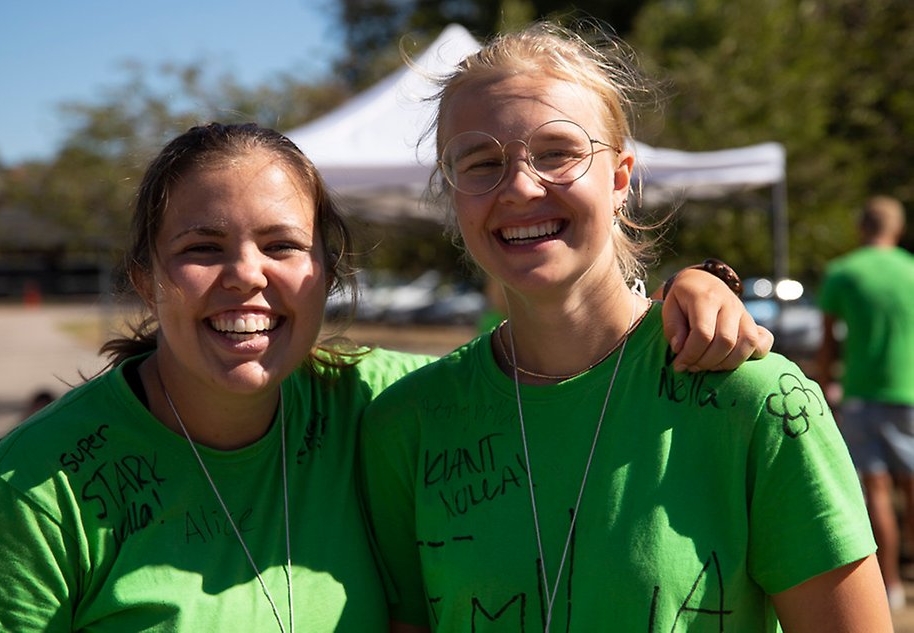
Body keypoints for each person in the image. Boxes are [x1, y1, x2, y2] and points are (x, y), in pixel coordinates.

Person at [0, 122, 770, 632]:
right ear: (146, 278)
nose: (246, 277)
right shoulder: (31, 493)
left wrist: (686, 289)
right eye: (202, 249)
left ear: (327, 275)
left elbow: (554, 358)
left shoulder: (379, 404)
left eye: (281, 245)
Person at [359, 21, 892, 633]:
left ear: (620, 179)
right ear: (452, 196)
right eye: (481, 163)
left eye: (557, 152)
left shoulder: (756, 398)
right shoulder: (407, 424)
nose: (520, 186)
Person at [816, 194, 914, 611]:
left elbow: (827, 346)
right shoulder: (911, 270)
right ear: (898, 228)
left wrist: (820, 390)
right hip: (909, 392)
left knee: (874, 490)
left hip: (859, 395)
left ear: (861, 228)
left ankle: (889, 584)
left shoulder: (843, 272)